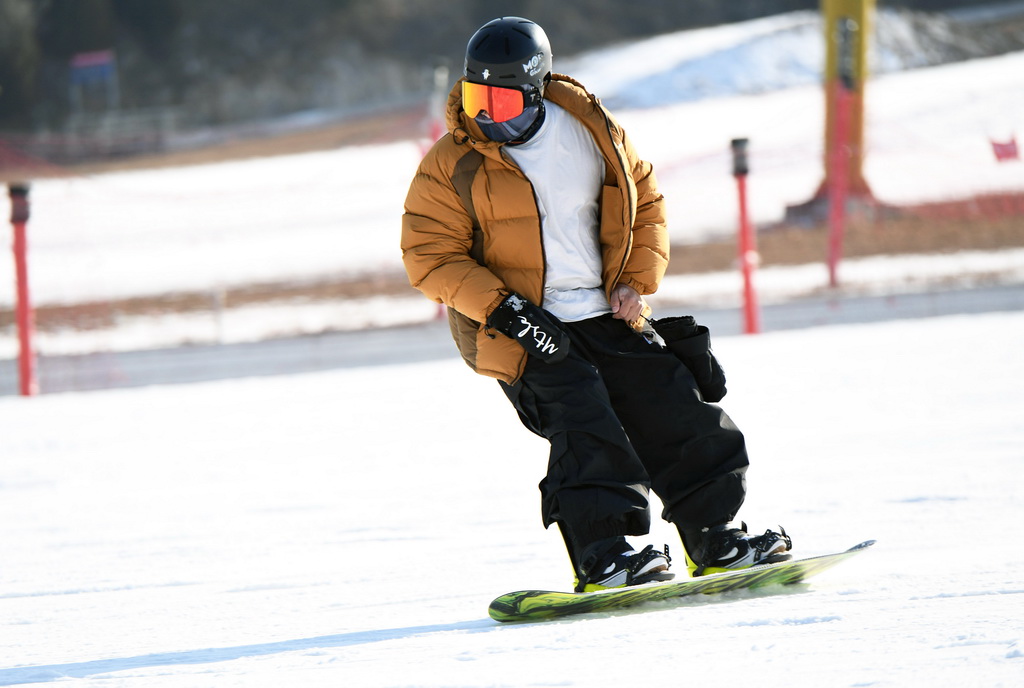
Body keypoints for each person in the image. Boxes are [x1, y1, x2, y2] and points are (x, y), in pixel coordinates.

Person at [401, 16, 792, 592]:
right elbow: (428, 256)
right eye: (476, 96)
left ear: (535, 91)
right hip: (521, 326)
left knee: (676, 407)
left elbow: (647, 205)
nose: (486, 114)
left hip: (606, 311)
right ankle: (602, 554)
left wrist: (636, 281)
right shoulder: (450, 163)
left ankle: (716, 537)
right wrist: (508, 310)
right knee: (584, 422)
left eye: (502, 100)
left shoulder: (592, 132)